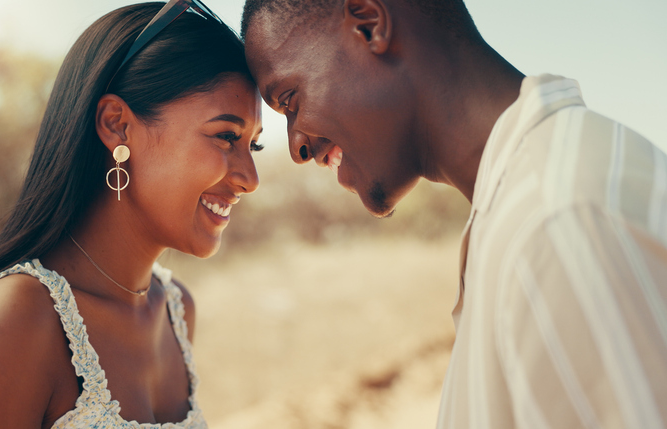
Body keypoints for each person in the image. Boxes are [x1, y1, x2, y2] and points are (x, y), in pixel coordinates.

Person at [241, 0, 667, 427]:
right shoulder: (524, 207)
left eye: (290, 100)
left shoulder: (559, 224)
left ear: (370, 26)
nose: (297, 147)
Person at [0, 1, 263, 427]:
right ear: (117, 125)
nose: (250, 178)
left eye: (254, 145)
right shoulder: (10, 319)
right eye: (226, 136)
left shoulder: (176, 313)